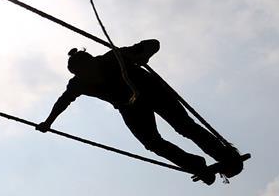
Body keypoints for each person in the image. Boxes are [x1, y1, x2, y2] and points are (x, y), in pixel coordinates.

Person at [36, 39, 243, 184]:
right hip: (130, 107)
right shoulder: (79, 83)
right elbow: (62, 102)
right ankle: (195, 164)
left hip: (152, 91)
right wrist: (48, 122)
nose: (91, 75)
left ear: (93, 61)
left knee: (184, 126)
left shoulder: (113, 58)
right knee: (152, 143)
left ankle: (224, 155)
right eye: (85, 74)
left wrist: (143, 55)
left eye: (90, 69)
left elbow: (153, 43)